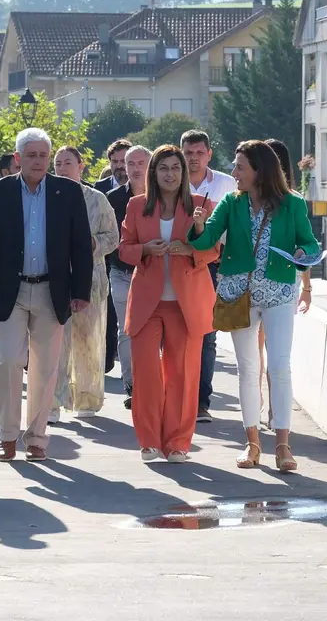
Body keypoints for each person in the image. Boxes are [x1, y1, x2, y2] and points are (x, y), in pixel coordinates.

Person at [190, 139, 320, 473]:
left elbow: (308, 242)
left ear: (259, 171)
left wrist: (304, 255)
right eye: (234, 166)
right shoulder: (231, 204)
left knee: (279, 365)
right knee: (248, 369)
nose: (233, 173)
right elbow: (205, 242)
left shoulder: (292, 204)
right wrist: (200, 223)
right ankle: (252, 443)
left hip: (279, 293)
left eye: (240, 167)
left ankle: (282, 445)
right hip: (239, 295)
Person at [0, 127, 93, 462]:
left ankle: (37, 437)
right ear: (17, 159)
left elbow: (80, 245)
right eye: (31, 155)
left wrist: (81, 291)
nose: (38, 161)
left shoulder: (68, 192)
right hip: (9, 290)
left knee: (45, 368)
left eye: (44, 155)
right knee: (10, 360)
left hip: (51, 290)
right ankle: (8, 435)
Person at [119, 145, 220, 462]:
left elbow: (214, 250)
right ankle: (149, 441)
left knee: (182, 374)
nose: (170, 173)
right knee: (146, 373)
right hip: (148, 303)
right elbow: (124, 249)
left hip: (185, 302)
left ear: (184, 172)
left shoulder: (202, 205)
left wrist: (189, 249)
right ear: (153, 172)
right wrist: (145, 249)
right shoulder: (137, 206)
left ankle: (177, 443)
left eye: (176, 167)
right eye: (163, 167)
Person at [50, 146, 119, 421]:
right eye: (58, 164)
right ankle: (53, 402)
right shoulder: (49, 198)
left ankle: (86, 400)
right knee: (55, 342)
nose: (62, 168)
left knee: (89, 341)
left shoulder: (97, 199)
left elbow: (113, 237)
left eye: (68, 162)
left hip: (91, 279)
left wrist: (93, 243)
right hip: (55, 279)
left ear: (81, 166)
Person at [180, 129, 237, 424]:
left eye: (199, 152)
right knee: (176, 333)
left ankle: (202, 401)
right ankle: (179, 399)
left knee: (207, 334)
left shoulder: (227, 185)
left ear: (209, 154)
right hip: (178, 264)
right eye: (188, 153)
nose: (193, 158)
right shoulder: (170, 181)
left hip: (215, 264)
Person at [258, 138, 313, 428]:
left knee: (270, 354)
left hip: (282, 285)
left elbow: (305, 248)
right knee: (263, 355)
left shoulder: (291, 201)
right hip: (263, 286)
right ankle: (263, 410)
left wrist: (306, 287)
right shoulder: (249, 199)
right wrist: (306, 287)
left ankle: (268, 411)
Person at [106, 145, 151, 409]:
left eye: (139, 163)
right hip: (121, 272)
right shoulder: (112, 198)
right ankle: (133, 386)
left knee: (154, 331)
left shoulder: (162, 197)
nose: (133, 168)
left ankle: (153, 382)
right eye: (129, 163)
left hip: (156, 273)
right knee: (127, 330)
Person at [96, 139, 131, 372]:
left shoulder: (147, 188)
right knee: (108, 314)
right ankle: (107, 359)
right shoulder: (100, 188)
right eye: (115, 161)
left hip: (133, 259)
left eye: (124, 161)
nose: (120, 166)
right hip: (106, 260)